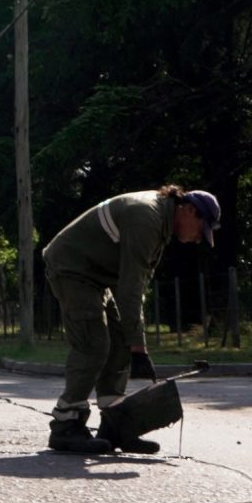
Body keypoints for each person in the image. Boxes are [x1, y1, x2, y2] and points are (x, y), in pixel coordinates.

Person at [42, 186, 220, 454]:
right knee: (94, 343)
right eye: (201, 229)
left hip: (96, 275)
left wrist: (134, 342)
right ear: (189, 210)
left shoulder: (160, 223)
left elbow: (137, 286)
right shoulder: (147, 218)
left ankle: (115, 426)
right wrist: (140, 347)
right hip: (72, 269)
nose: (198, 239)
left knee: (120, 341)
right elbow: (129, 288)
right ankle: (66, 425)